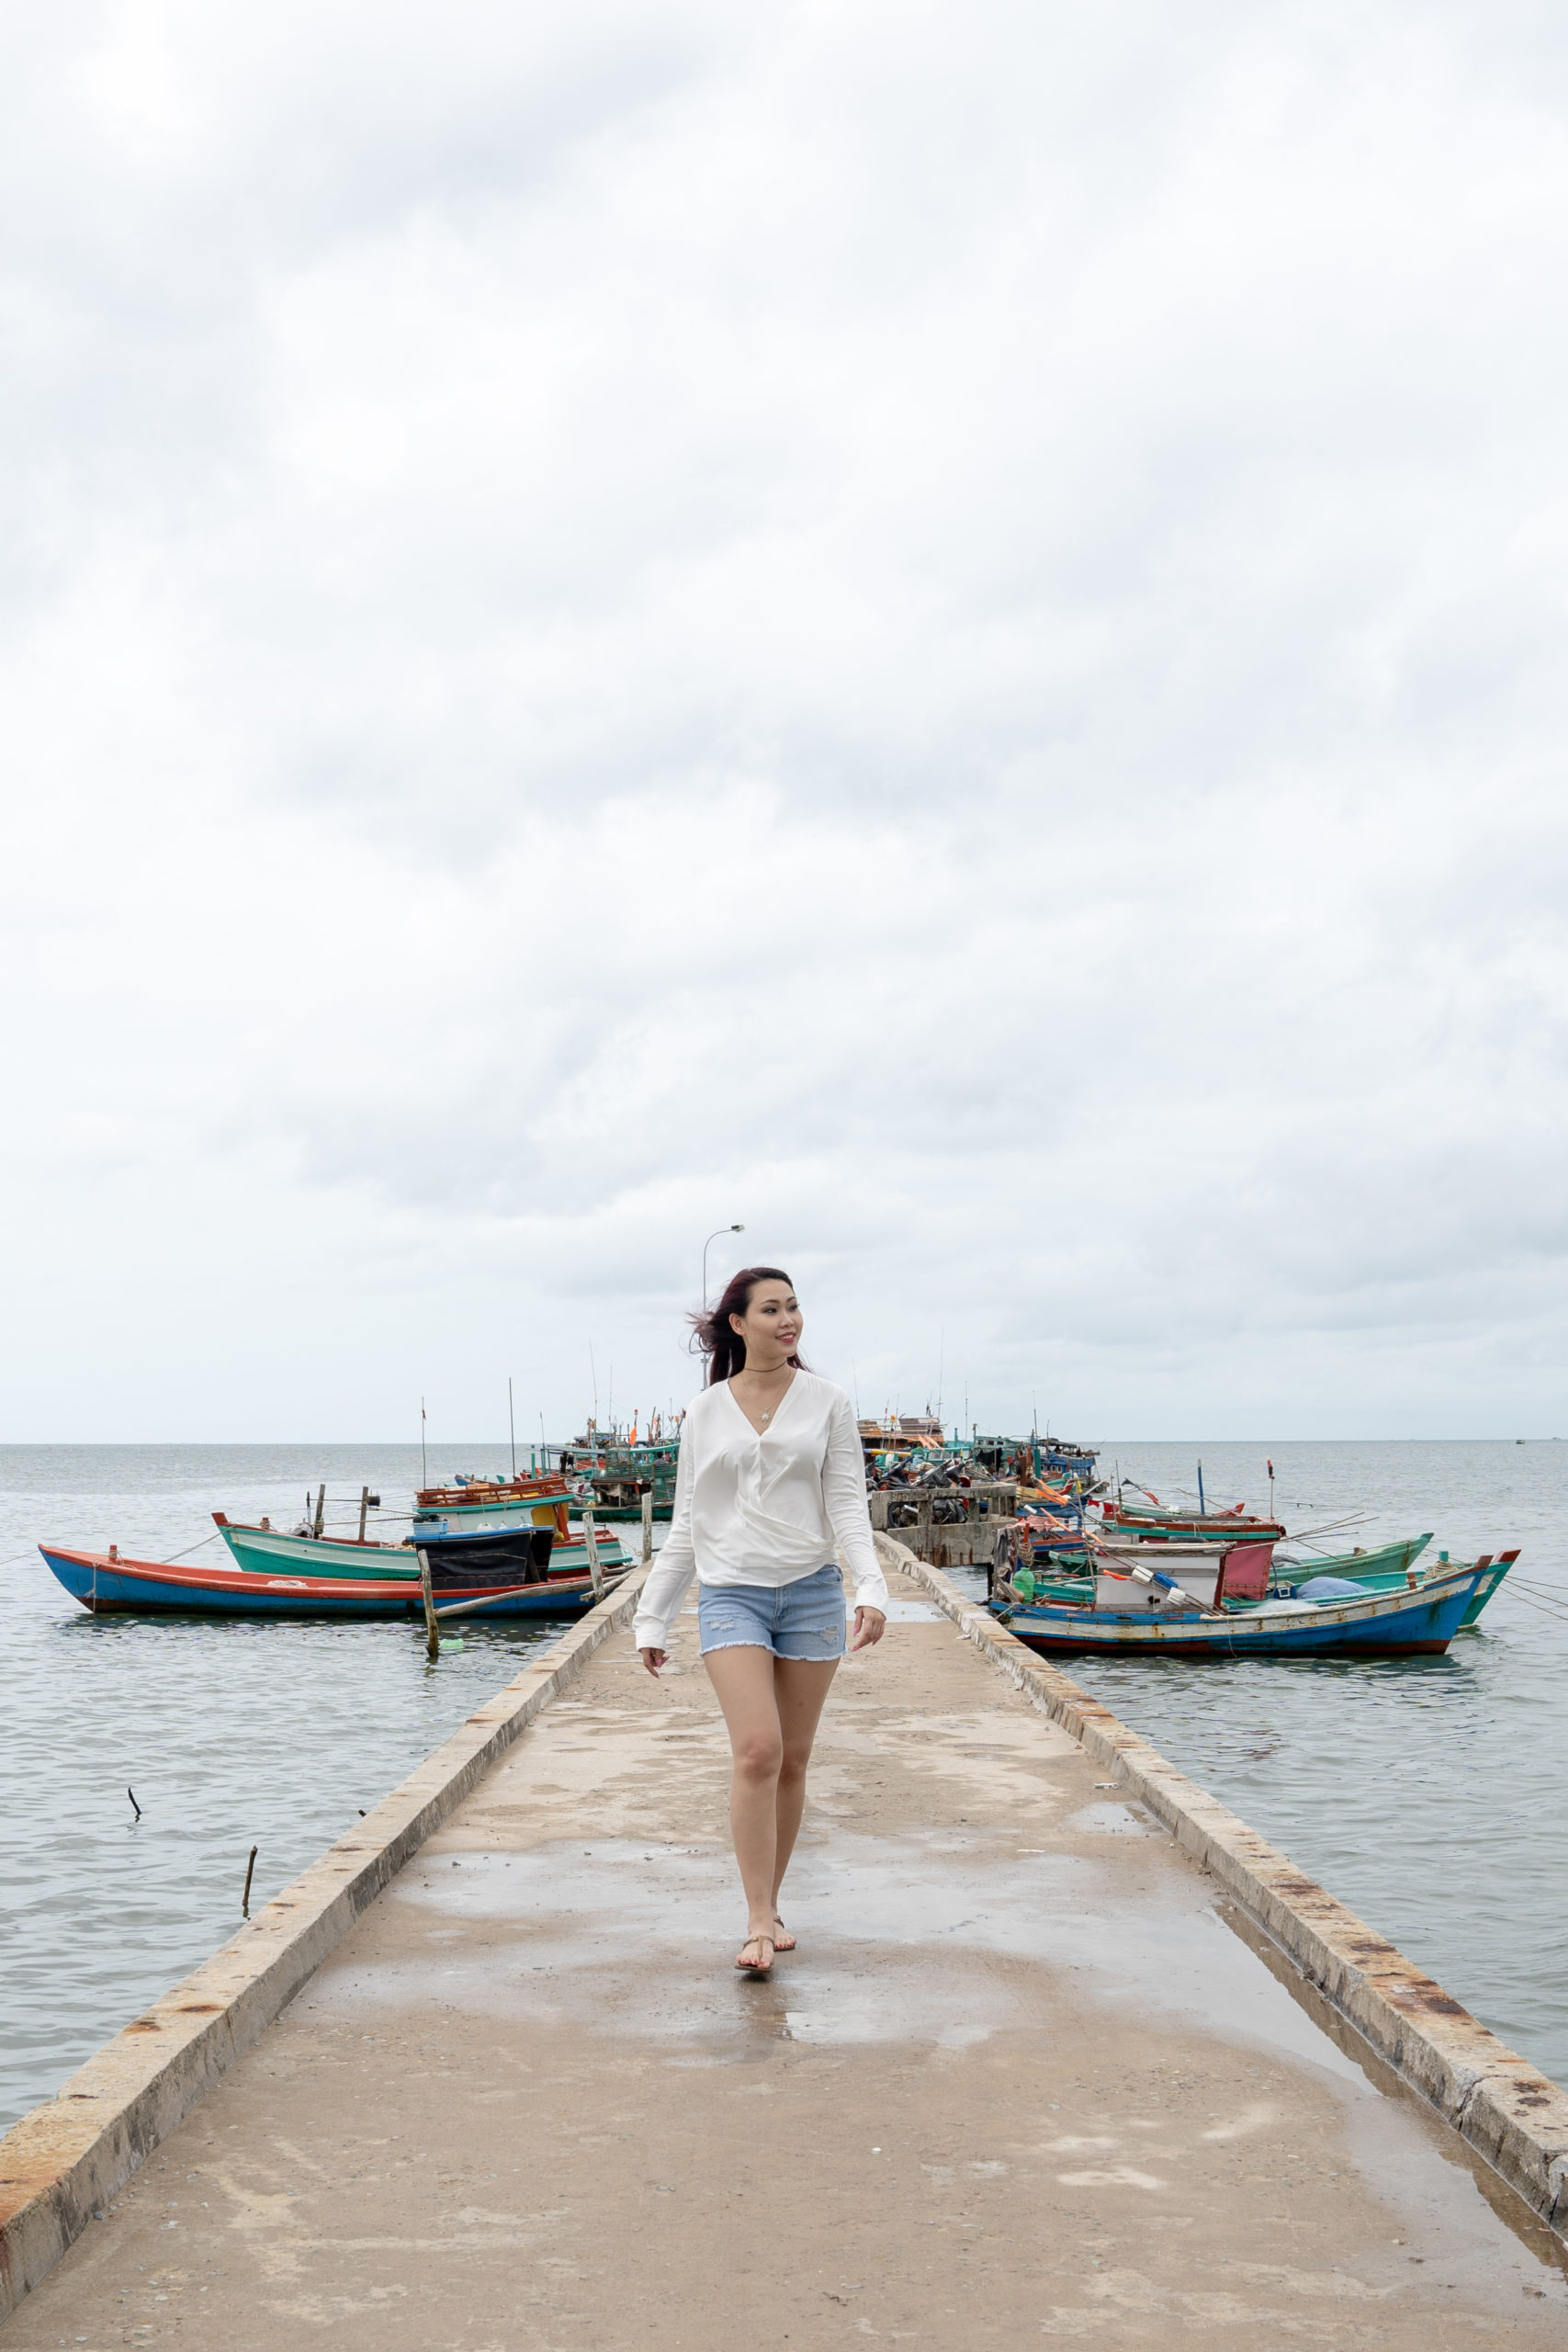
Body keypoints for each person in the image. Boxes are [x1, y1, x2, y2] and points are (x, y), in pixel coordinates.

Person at [634, 1265, 888, 1978]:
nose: (788, 1320)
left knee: (793, 1760)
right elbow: (688, 1521)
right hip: (730, 1594)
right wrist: (652, 1618)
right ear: (738, 1323)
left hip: (811, 1593)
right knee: (756, 1752)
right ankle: (754, 1921)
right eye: (771, 1309)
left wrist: (871, 1588)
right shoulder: (704, 1411)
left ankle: (771, 1906)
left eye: (794, 1307)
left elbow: (846, 1502)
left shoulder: (828, 1401)